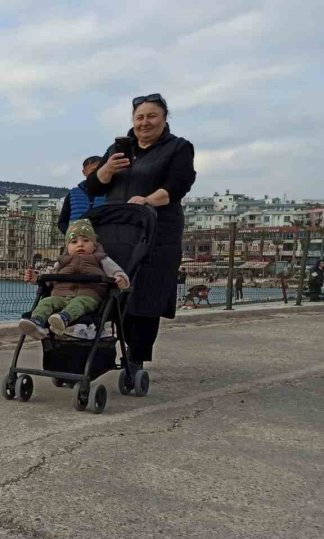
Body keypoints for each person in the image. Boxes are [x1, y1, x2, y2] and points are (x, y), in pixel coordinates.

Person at [86, 93, 196, 369]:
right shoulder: (118, 148)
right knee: (110, 288)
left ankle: (135, 357)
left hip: (157, 229)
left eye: (151, 116)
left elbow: (178, 184)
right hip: (116, 230)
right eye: (139, 117)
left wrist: (148, 200)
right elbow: (93, 187)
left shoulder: (178, 148)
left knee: (146, 293)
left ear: (164, 118)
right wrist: (106, 170)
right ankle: (96, 351)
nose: (144, 122)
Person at [18, 219, 129, 340]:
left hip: (88, 296)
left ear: (94, 245)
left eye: (86, 241)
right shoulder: (62, 262)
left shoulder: (100, 259)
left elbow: (116, 271)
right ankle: (37, 322)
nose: (80, 244)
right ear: (67, 247)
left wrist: (121, 278)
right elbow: (50, 276)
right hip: (60, 296)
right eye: (74, 242)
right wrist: (36, 277)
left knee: (78, 304)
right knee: (46, 302)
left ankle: (63, 318)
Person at [57, 156, 106, 234]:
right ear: (84, 172)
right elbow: (62, 221)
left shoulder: (113, 191)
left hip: (106, 240)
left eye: (100, 169)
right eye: (93, 171)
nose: (97, 173)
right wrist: (72, 235)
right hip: (79, 241)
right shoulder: (73, 194)